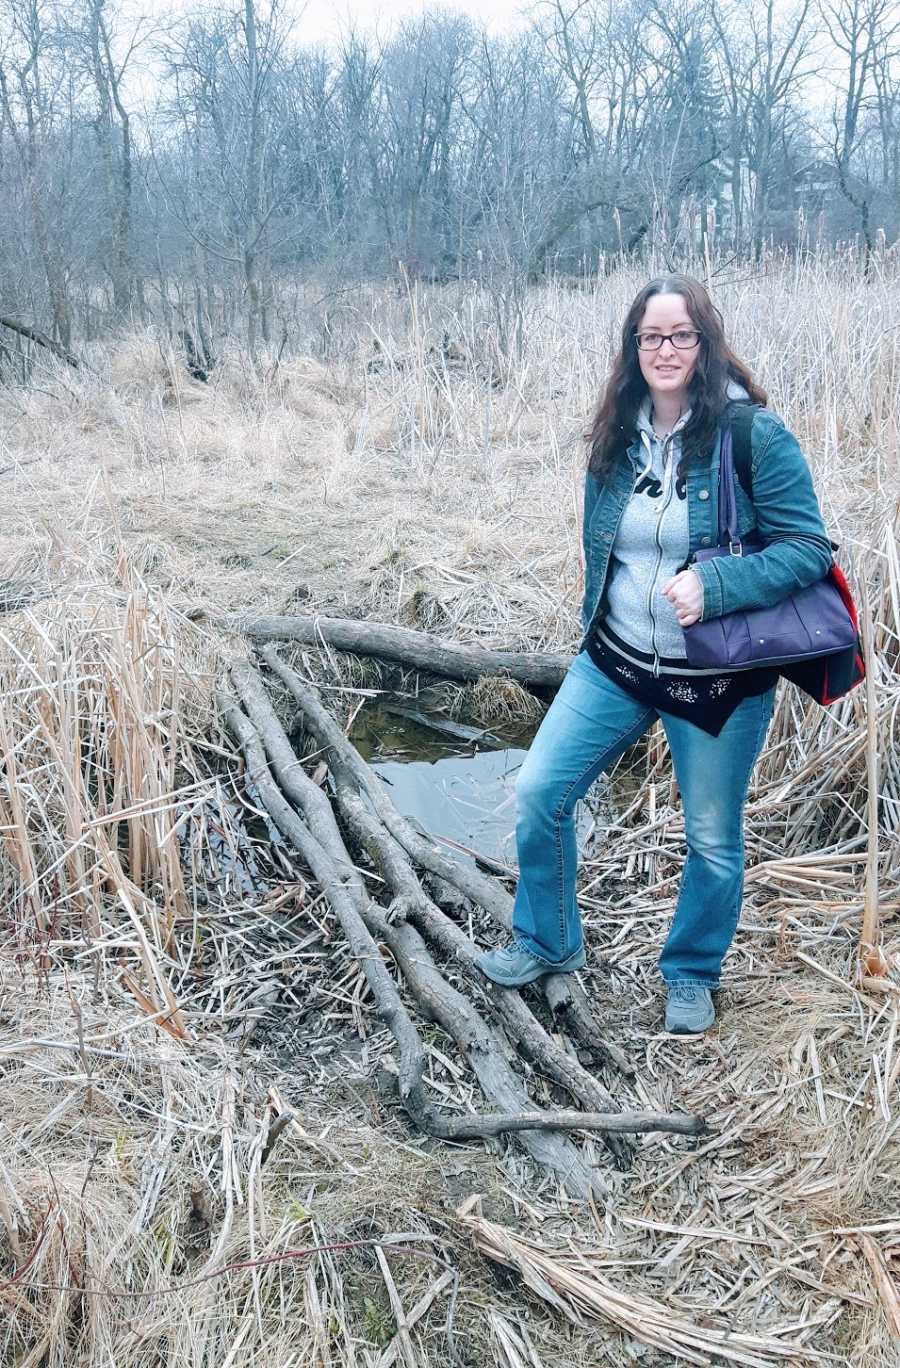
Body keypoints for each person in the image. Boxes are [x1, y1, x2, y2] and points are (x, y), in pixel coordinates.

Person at [476, 274, 832, 1033]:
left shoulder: (752, 435)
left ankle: (692, 972)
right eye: (649, 337)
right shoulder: (616, 433)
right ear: (632, 348)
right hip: (616, 661)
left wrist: (720, 583)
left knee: (710, 836)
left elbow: (809, 550)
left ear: (704, 343)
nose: (664, 349)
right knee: (542, 792)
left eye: (679, 335)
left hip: (716, 679)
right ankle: (547, 941)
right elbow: (602, 548)